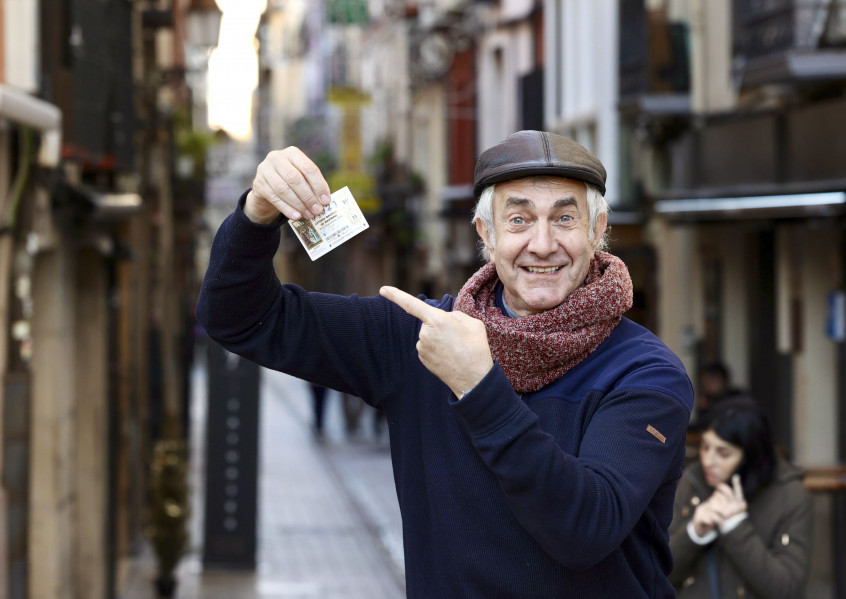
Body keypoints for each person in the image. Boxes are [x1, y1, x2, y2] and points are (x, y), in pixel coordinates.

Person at [197, 130, 694, 597]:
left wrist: (478, 387)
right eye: (519, 219)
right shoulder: (419, 337)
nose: (543, 244)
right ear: (487, 232)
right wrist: (256, 215)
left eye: (565, 218)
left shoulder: (646, 375)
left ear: (597, 230)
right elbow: (238, 317)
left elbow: (584, 529)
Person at [668, 397, 813, 598]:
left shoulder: (790, 495)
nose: (708, 461)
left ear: (750, 456)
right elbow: (661, 573)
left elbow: (786, 589)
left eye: (724, 453)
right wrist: (694, 532)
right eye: (705, 446)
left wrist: (735, 526)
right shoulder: (692, 480)